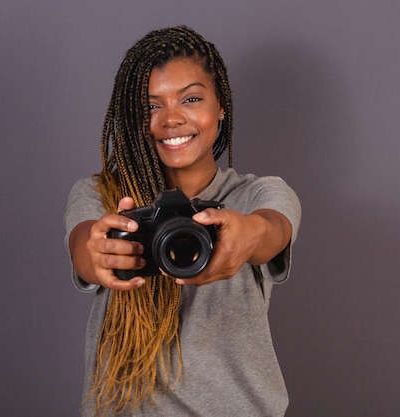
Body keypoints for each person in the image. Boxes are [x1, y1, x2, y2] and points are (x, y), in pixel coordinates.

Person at [64, 26, 301, 417]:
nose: (171, 119)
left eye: (190, 98)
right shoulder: (100, 195)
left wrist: (245, 235)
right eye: (151, 105)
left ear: (220, 105)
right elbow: (83, 248)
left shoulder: (258, 195)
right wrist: (103, 250)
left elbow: (271, 229)